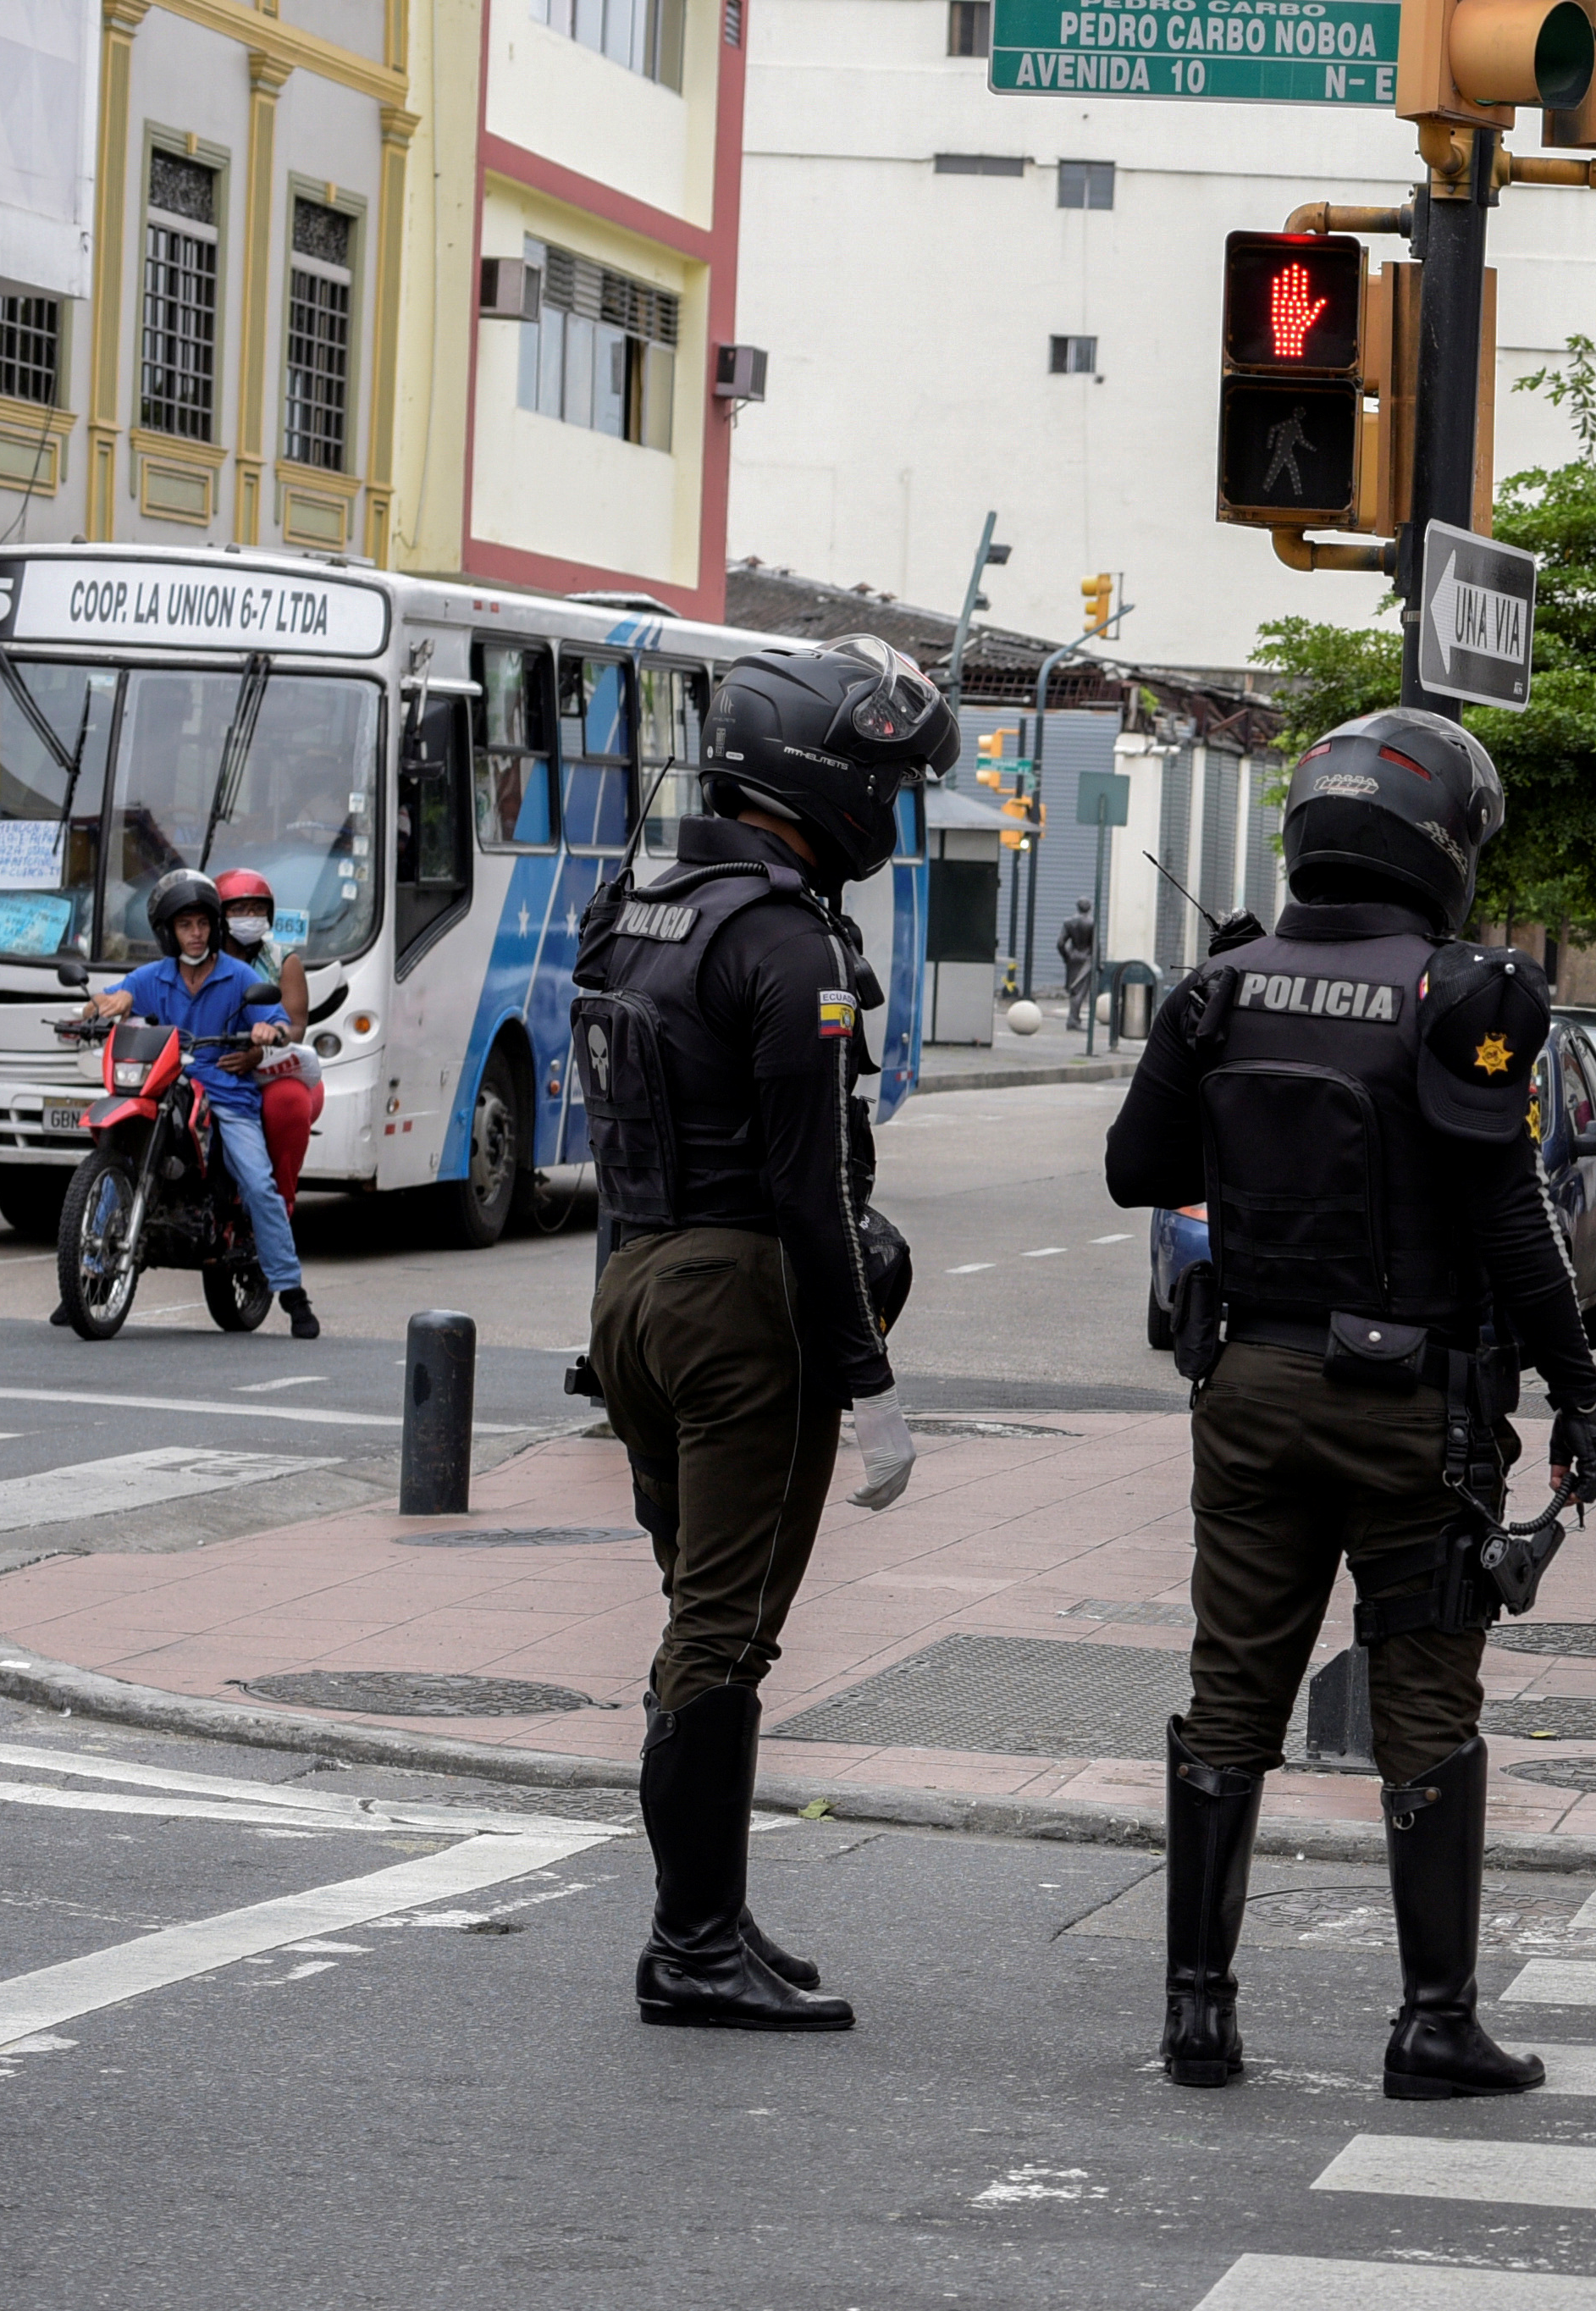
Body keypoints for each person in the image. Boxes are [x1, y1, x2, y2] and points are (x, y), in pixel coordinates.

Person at [1104, 704, 1596, 2101]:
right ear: (1443, 840)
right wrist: (1579, 1395)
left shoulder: (1219, 990)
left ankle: (1198, 2016)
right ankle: (1433, 2024)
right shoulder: (1463, 996)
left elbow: (1137, 1168)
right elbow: (1512, 1221)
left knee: (1230, 1694)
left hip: (1252, 1390)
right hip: (1413, 1411)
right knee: (1426, 1708)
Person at [573, 634, 952, 2032]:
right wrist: (870, 1380)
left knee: (698, 1614)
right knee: (722, 1636)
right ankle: (689, 1944)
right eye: (886, 783)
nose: (890, 810)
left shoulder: (640, 902)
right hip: (742, 1308)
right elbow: (812, 1188)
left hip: (634, 1285)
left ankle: (712, 1911)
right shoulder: (789, 939)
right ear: (823, 776)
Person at [83, 871, 316, 1340]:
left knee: (258, 1182)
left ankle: (292, 1292)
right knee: (117, 1154)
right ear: (169, 932)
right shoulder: (153, 977)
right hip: (163, 1086)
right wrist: (102, 1005)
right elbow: (109, 1001)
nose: (196, 933)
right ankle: (88, 1274)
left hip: (227, 1094)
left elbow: (280, 1022)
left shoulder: (240, 976)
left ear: (214, 927)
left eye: (203, 924)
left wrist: (267, 1032)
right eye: (185, 925)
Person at [213, 871, 317, 1209]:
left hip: (271, 1070)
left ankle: (277, 1206)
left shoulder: (283, 961)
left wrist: (266, 1045)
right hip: (212, 1064)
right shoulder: (202, 959)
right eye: (239, 910)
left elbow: (295, 1027)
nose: (250, 917)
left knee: (288, 1101)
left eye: (258, 910)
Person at [1059, 898, 1100, 1032]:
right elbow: (1095, 945)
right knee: (1080, 992)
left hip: (1073, 958)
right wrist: (1097, 963)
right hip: (1086, 959)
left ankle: (1073, 1018)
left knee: (1073, 990)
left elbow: (1060, 943)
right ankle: (1073, 1020)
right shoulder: (1092, 923)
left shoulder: (1068, 922)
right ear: (1089, 908)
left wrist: (1066, 957)